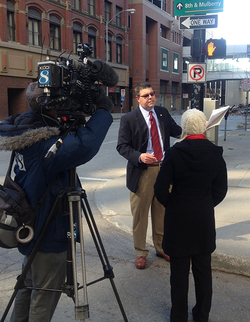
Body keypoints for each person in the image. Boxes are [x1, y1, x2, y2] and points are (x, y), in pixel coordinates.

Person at [0, 82, 114, 322]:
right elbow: (85, 145)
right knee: (43, 295)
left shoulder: (28, 127)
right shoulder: (46, 145)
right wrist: (103, 112)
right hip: (47, 233)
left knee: (27, 286)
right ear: (52, 105)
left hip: (30, 226)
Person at [154, 108, 228, 322]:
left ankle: (178, 316)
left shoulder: (175, 153)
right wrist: (205, 204)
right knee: (203, 270)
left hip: (178, 217)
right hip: (203, 217)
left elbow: (160, 189)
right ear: (204, 126)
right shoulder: (215, 153)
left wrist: (173, 203)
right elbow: (220, 190)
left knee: (178, 273)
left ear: (185, 127)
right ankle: (201, 314)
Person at [116, 81, 182, 269]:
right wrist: (139, 156)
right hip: (143, 172)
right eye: (146, 95)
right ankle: (140, 252)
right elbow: (122, 146)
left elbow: (177, 131)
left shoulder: (162, 113)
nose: (151, 97)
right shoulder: (129, 119)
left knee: (162, 212)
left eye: (152, 93)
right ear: (138, 98)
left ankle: (161, 248)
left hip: (164, 169)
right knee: (140, 215)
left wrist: (197, 128)